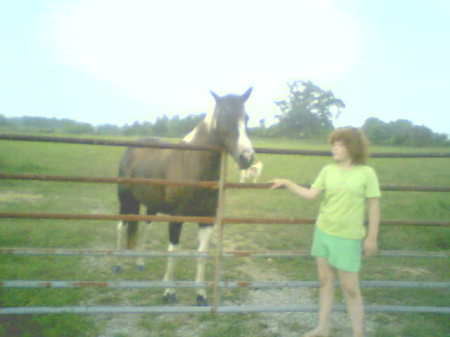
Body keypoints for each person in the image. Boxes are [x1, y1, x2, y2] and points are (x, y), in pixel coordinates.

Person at [271, 127, 381, 337]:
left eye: (340, 144)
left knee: (350, 288)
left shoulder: (367, 173)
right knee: (325, 282)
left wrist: (372, 238)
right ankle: (323, 328)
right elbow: (311, 194)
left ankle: (359, 333)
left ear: (352, 147)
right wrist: (287, 182)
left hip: (349, 238)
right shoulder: (327, 170)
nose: (334, 148)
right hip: (323, 233)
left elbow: (374, 206)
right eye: (334, 144)